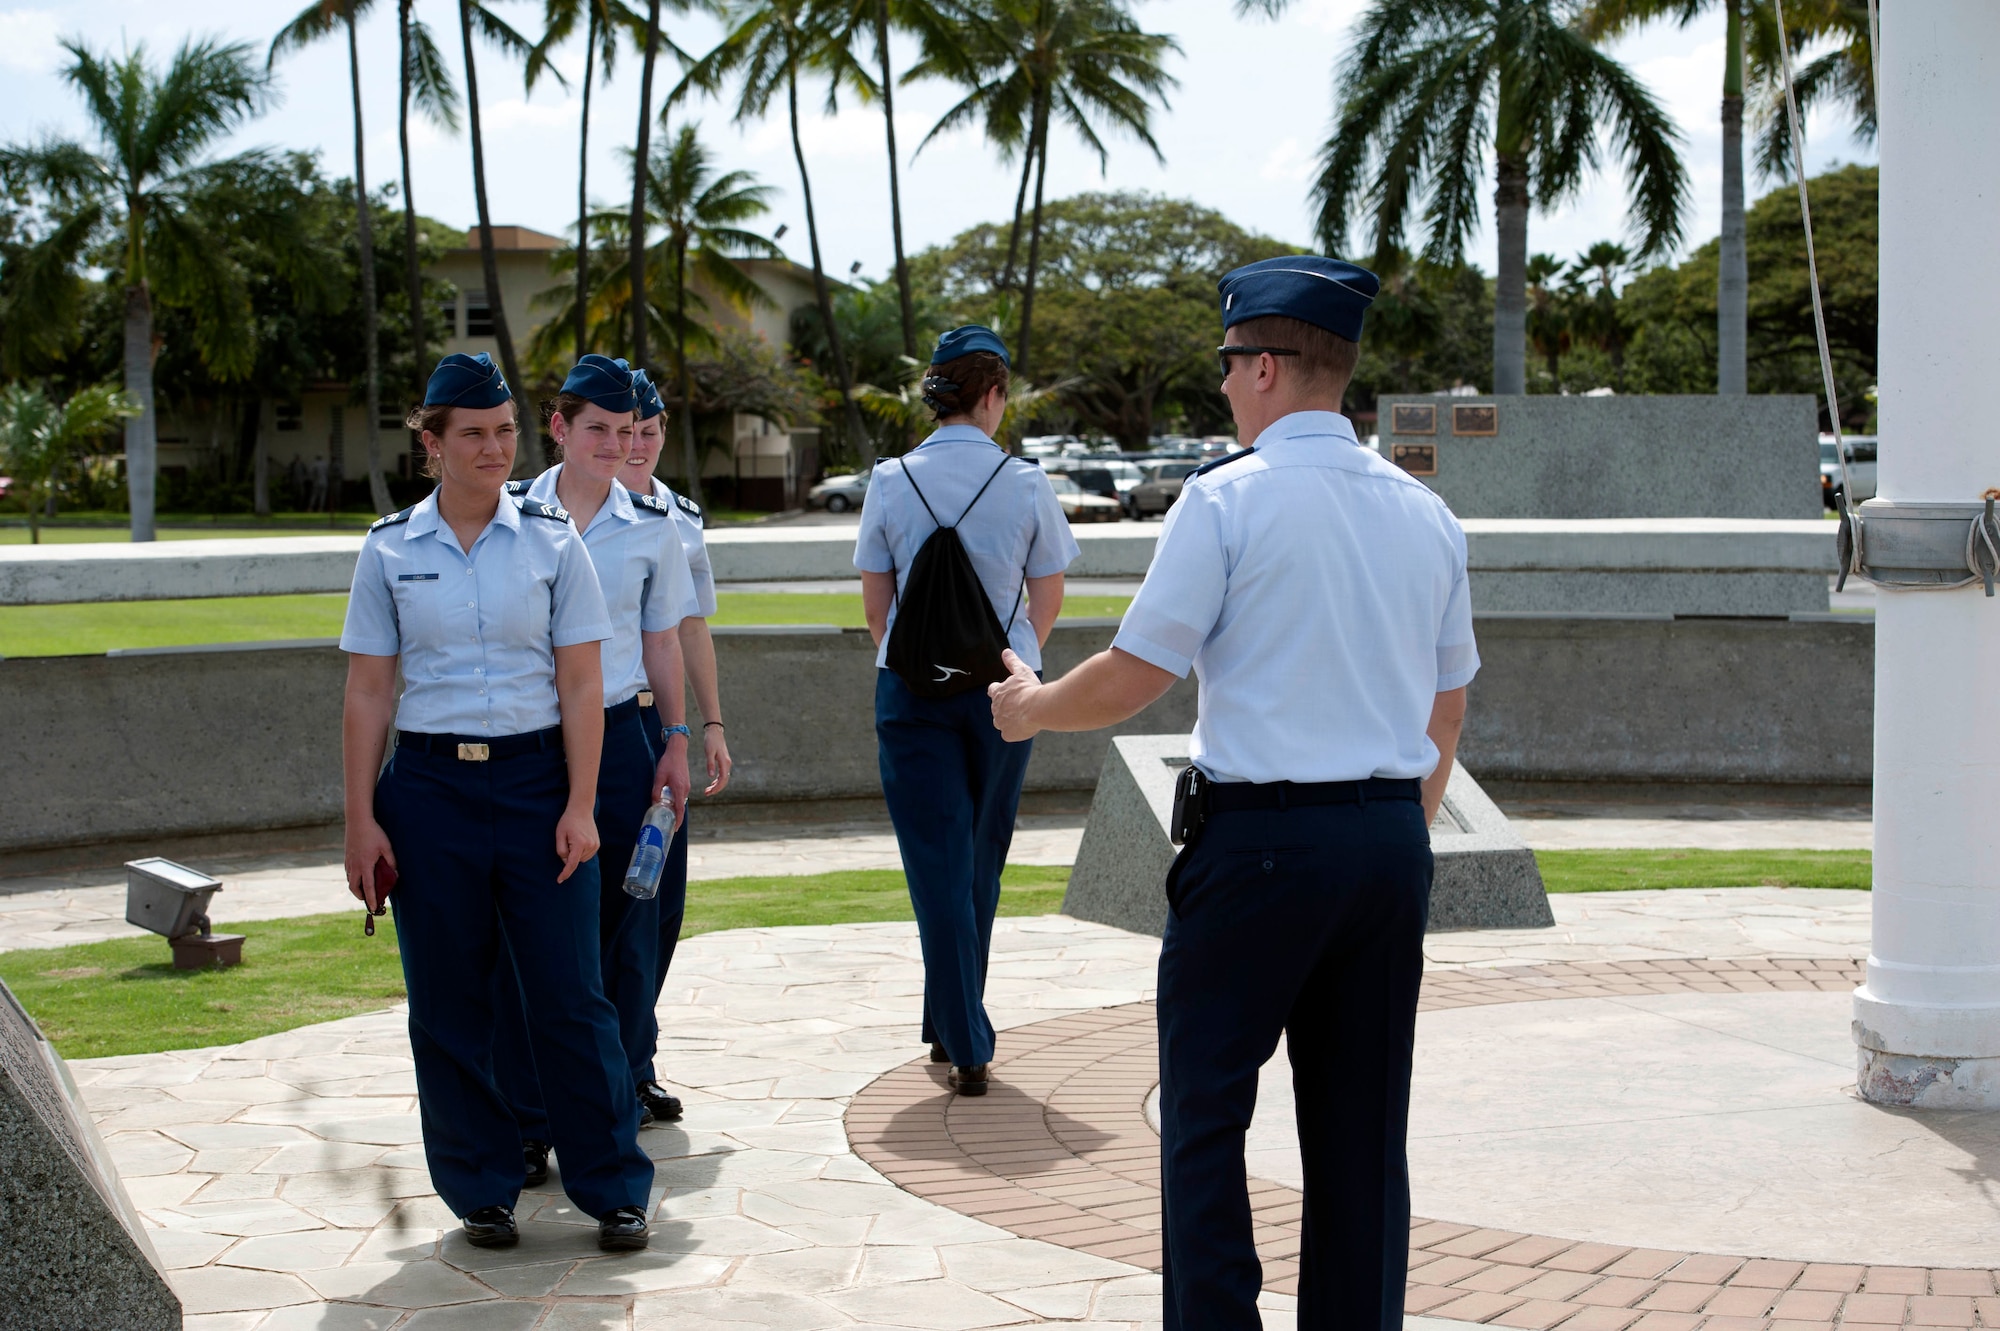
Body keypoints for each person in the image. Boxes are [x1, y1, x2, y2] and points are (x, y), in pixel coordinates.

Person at [986, 257, 1478, 1330]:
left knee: (1204, 1115)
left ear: (1263, 365)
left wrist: (1031, 706)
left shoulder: (1225, 499)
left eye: (1225, 365)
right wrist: (1399, 827)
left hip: (1257, 846)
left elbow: (1138, 670)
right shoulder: (1426, 513)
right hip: (1388, 840)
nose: (1220, 388)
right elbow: (1446, 707)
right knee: (1359, 1131)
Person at [338, 352, 656, 1254]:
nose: (494, 446)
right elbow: (369, 693)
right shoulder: (390, 547)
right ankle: (481, 1185)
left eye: (506, 429)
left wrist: (584, 804)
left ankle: (613, 1185)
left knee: (571, 994)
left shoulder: (554, 541)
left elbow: (582, 680)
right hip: (428, 791)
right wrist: (361, 819)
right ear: (431, 443)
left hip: (537, 784)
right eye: (472, 433)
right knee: (446, 1001)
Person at [489, 354, 700, 1180]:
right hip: (534, 745)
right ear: (559, 430)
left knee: (625, 931)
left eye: (626, 430)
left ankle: (611, 1100)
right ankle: (529, 1114)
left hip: (625, 738)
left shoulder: (654, 524)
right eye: (598, 430)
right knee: (530, 939)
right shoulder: (509, 514)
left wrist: (678, 738)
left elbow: (663, 640)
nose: (616, 445)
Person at [854, 325, 1078, 1095]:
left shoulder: (889, 478)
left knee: (936, 861)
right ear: (992, 395)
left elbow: (876, 602)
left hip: (911, 693)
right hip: (1005, 695)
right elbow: (1048, 587)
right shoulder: (1024, 481)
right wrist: (1015, 655)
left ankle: (954, 1022)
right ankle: (964, 1031)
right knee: (979, 856)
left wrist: (917, 658)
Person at [622, 368, 732, 1125]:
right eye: (622, 431)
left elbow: (691, 626)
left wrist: (709, 724)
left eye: (650, 431)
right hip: (582, 722)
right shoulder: (544, 510)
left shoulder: (679, 516)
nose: (636, 445)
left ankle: (636, 1059)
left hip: (655, 726)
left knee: (659, 900)